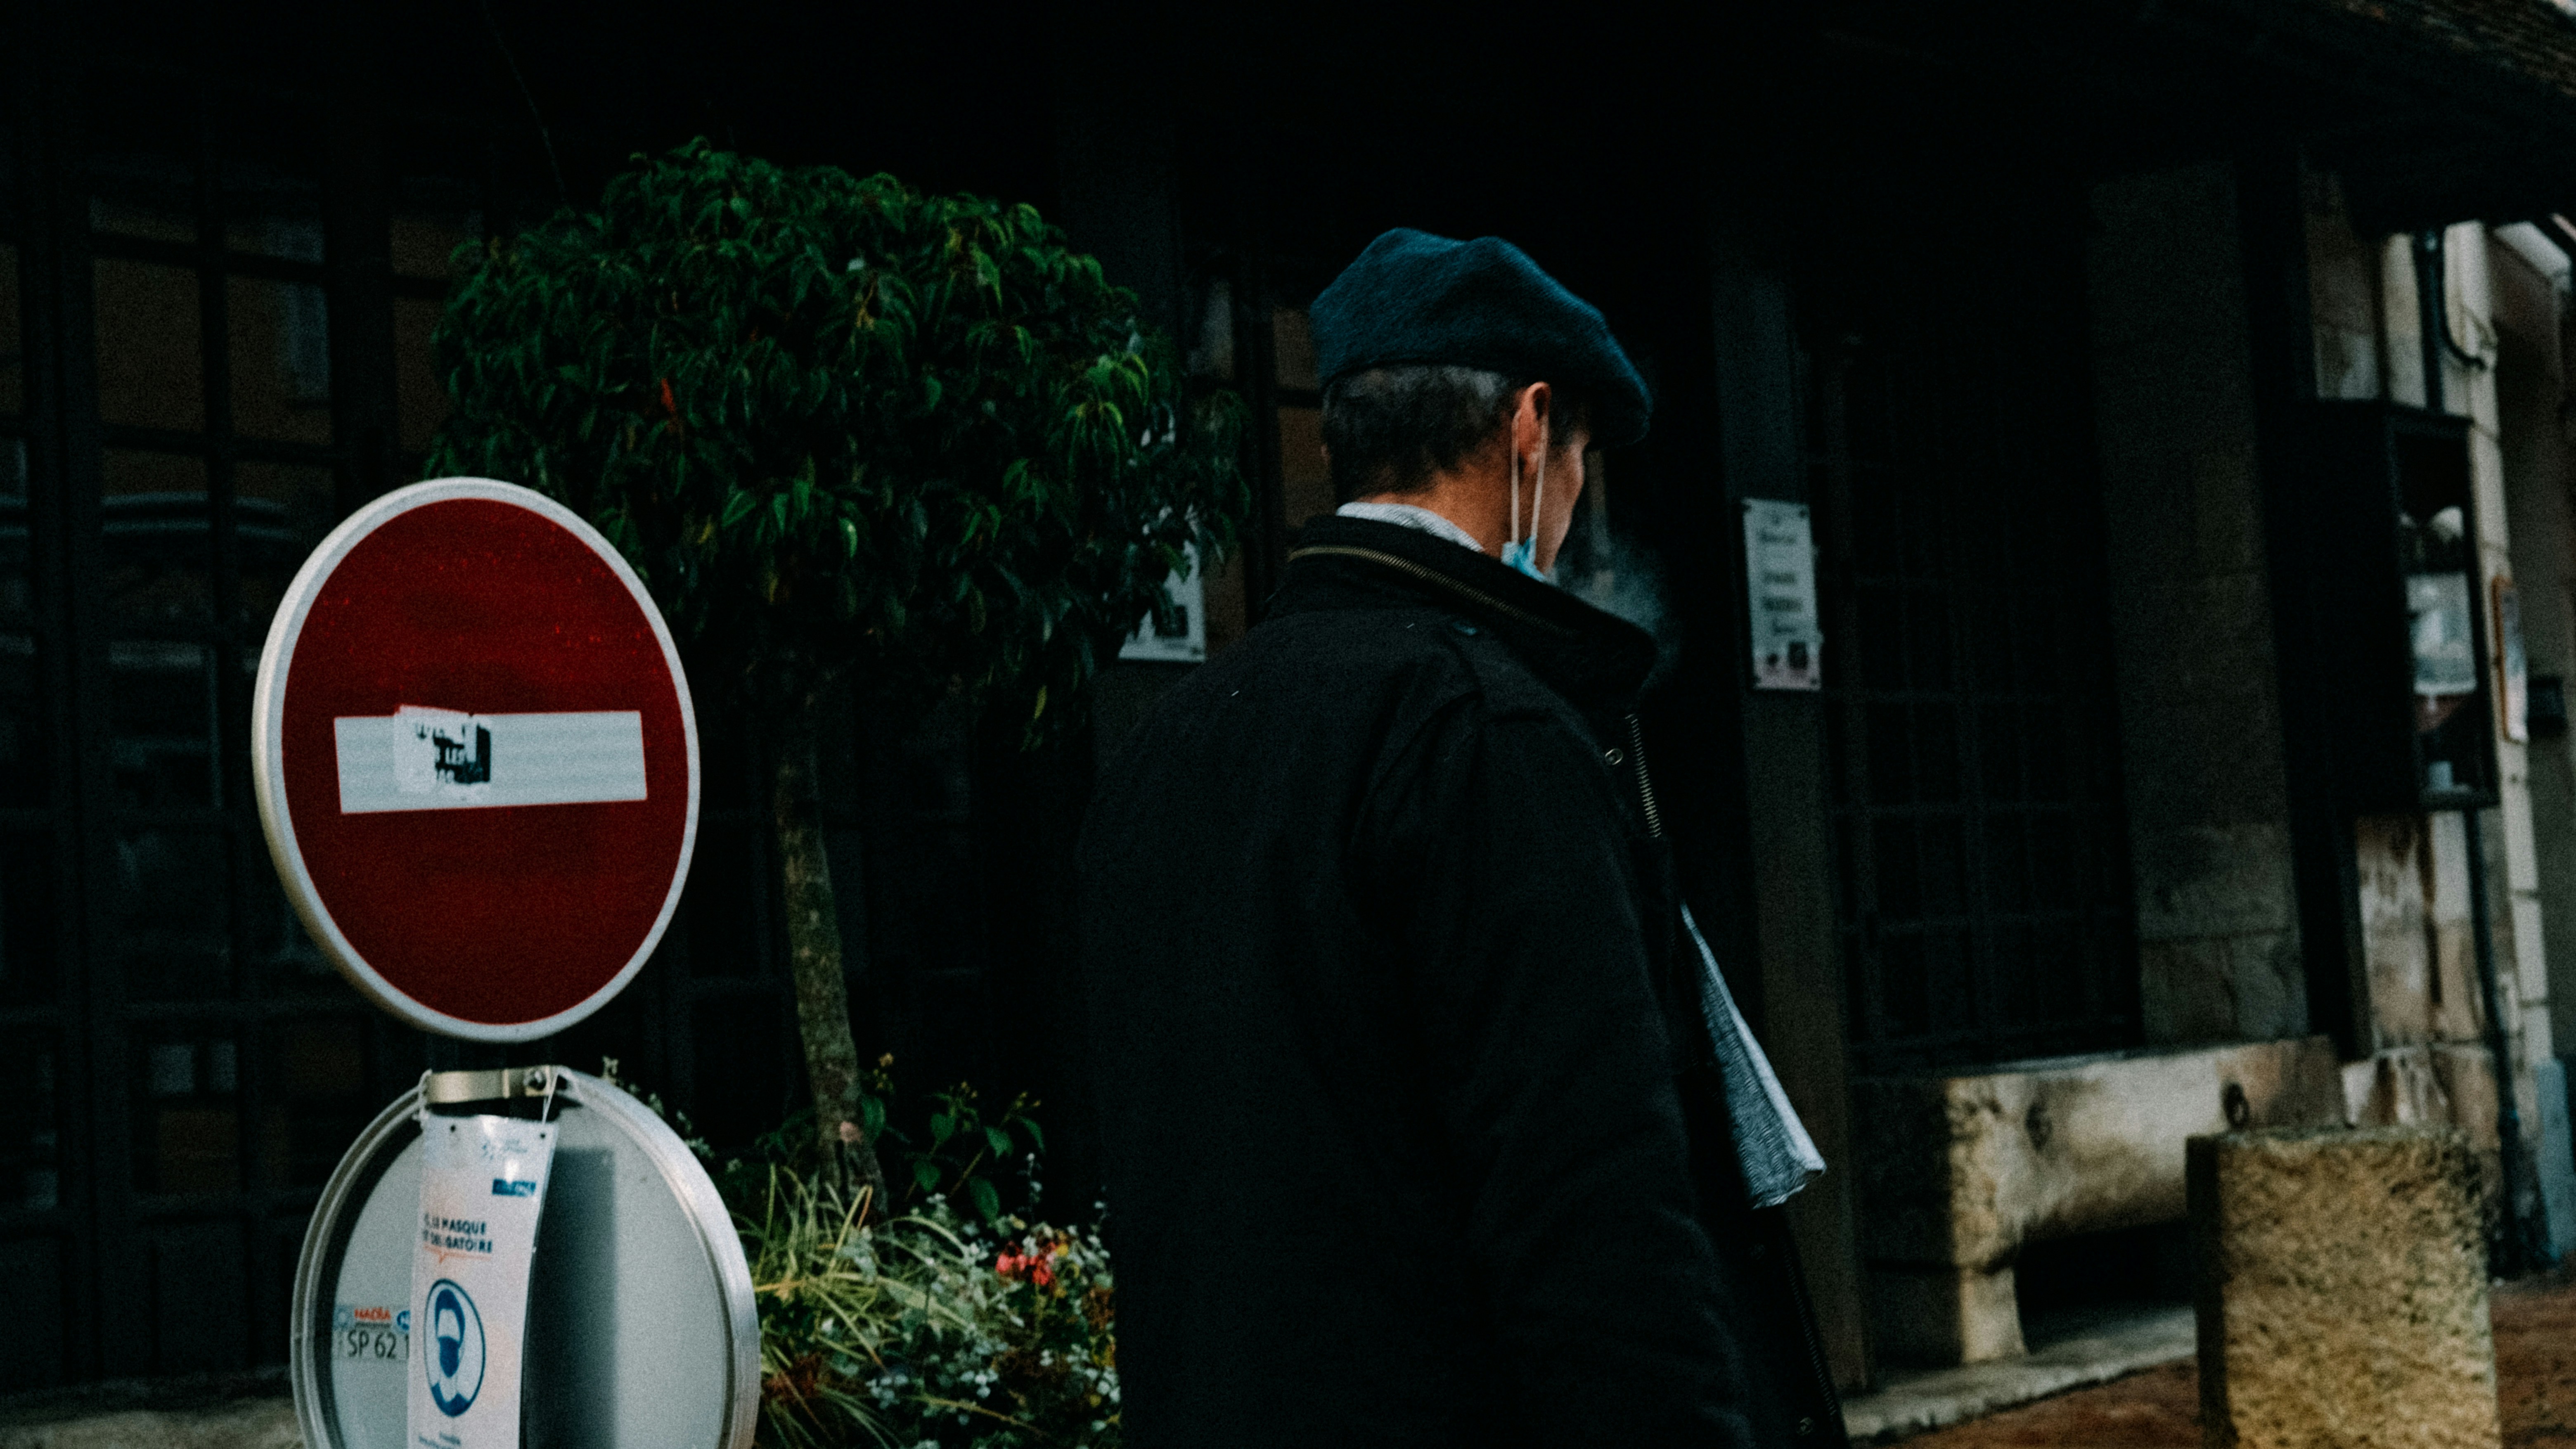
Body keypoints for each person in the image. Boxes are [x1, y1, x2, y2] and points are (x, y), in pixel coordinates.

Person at [1079, 228, 1846, 1448]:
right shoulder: (1492, 736)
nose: (1579, 489)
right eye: (1585, 452)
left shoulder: (1171, 743)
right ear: (1532, 430)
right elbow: (1598, 1222)